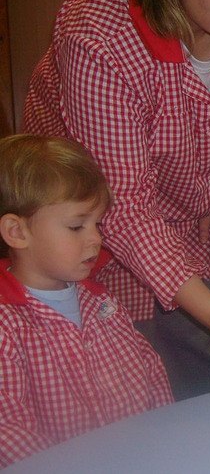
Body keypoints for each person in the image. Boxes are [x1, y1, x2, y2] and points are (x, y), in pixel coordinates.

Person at [22, 0, 210, 400]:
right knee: (125, 392)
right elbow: (123, 207)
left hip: (187, 222)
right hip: (92, 234)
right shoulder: (100, 35)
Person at [0, 134, 173, 468]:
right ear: (17, 232)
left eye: (97, 224)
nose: (96, 238)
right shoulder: (8, 325)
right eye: (77, 226)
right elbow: (7, 426)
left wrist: (161, 439)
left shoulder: (103, 305)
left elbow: (151, 373)